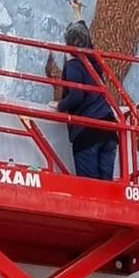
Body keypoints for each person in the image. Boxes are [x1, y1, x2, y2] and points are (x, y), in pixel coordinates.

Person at [50, 21, 119, 181]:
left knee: (91, 187)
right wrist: (79, 16)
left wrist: (59, 105)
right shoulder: (94, 61)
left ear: (68, 43)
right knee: (106, 187)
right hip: (108, 129)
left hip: (87, 132)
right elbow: (88, 42)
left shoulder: (74, 65)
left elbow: (76, 96)